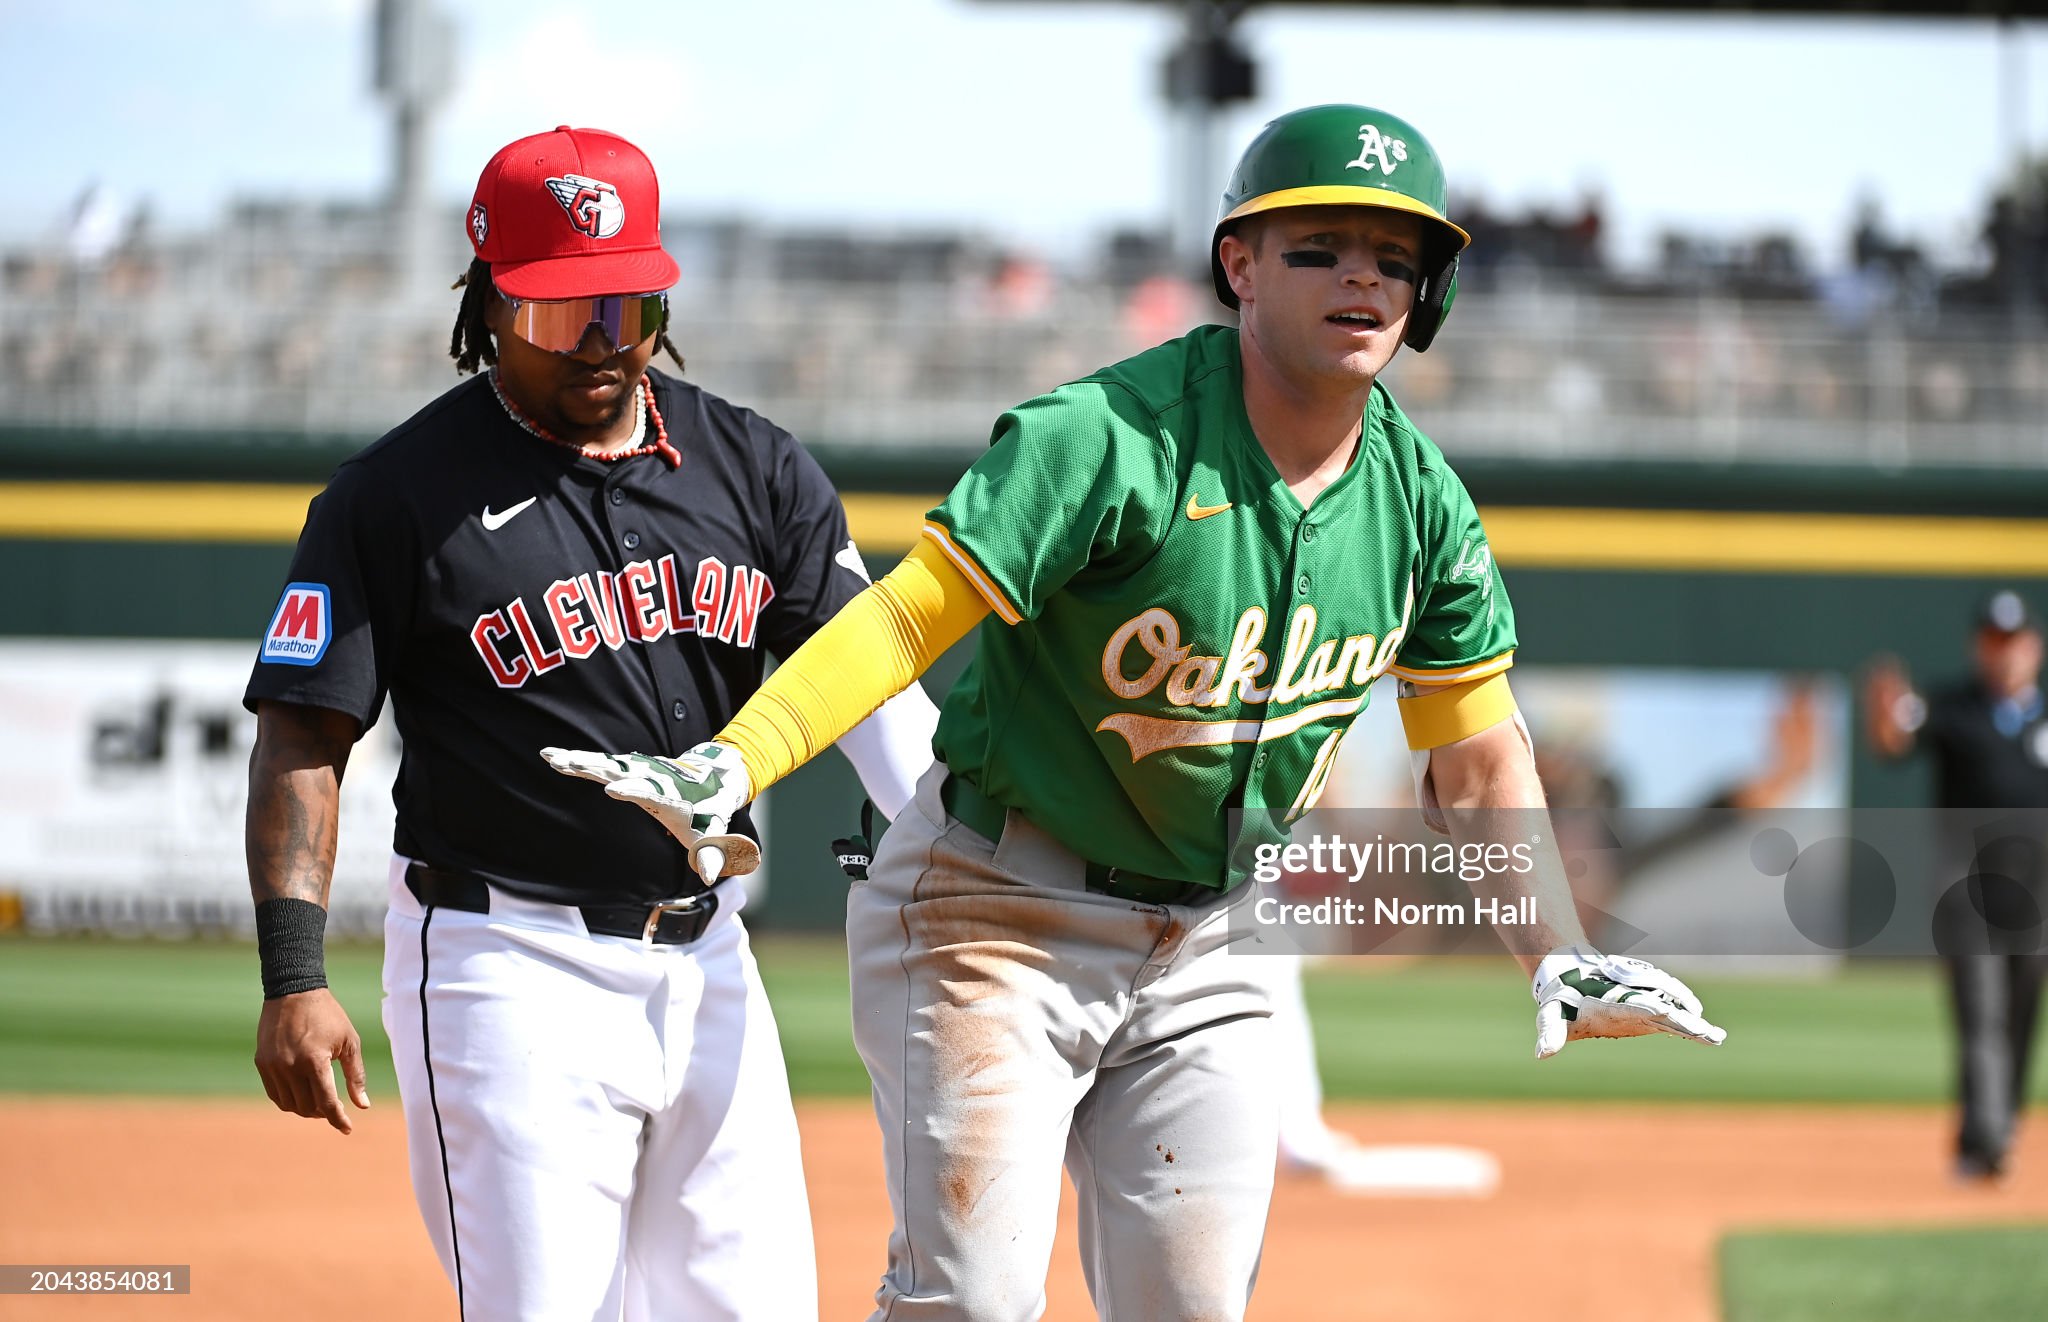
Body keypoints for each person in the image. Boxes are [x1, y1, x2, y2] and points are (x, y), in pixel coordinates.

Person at [549, 104, 1724, 1321]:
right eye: (1318, 245)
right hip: (995, 913)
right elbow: (905, 620)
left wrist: (1554, 950)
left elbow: (1475, 756)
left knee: (1191, 1306)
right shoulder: (1105, 438)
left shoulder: (1421, 505)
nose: (1361, 275)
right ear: (1240, 265)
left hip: (1212, 942)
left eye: (1395, 255)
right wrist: (737, 757)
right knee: (972, 1301)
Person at [243, 125, 938, 1321]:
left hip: (710, 954)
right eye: (567, 315)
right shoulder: (393, 496)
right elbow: (305, 736)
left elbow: (873, 690)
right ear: (489, 303)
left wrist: (979, 858)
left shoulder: (754, 465)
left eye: (630, 305)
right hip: (500, 961)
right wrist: (293, 973)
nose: (606, 345)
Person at [1864, 589, 2048, 1181]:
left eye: (2014, 641)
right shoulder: (1953, 707)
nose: (2006, 653)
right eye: (1994, 641)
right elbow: (1896, 741)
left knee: (2020, 1012)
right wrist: (1883, 717)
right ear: (1979, 647)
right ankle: (1987, 1140)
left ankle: (1995, 1126)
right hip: (1967, 883)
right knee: (1981, 1012)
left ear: (2034, 647)